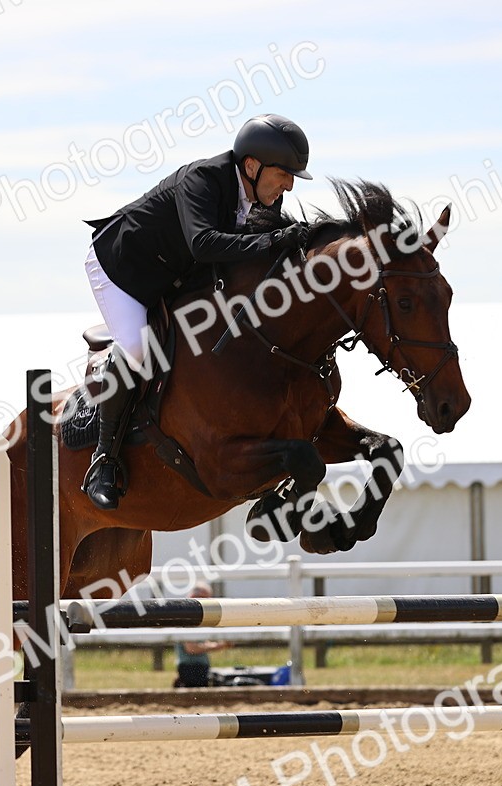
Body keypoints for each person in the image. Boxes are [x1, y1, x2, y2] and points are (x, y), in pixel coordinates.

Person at [80, 114, 313, 510]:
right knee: (138, 347)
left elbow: (254, 257)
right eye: (284, 174)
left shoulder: (264, 195)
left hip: (174, 272)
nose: (289, 184)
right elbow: (204, 243)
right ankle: (104, 459)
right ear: (252, 166)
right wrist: (274, 241)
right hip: (121, 269)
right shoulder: (202, 180)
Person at [173, 583, 232, 688]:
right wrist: (220, 646)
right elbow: (191, 648)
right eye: (205, 599)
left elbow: (200, 644)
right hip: (191, 668)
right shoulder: (187, 618)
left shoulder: (191, 617)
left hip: (195, 668)